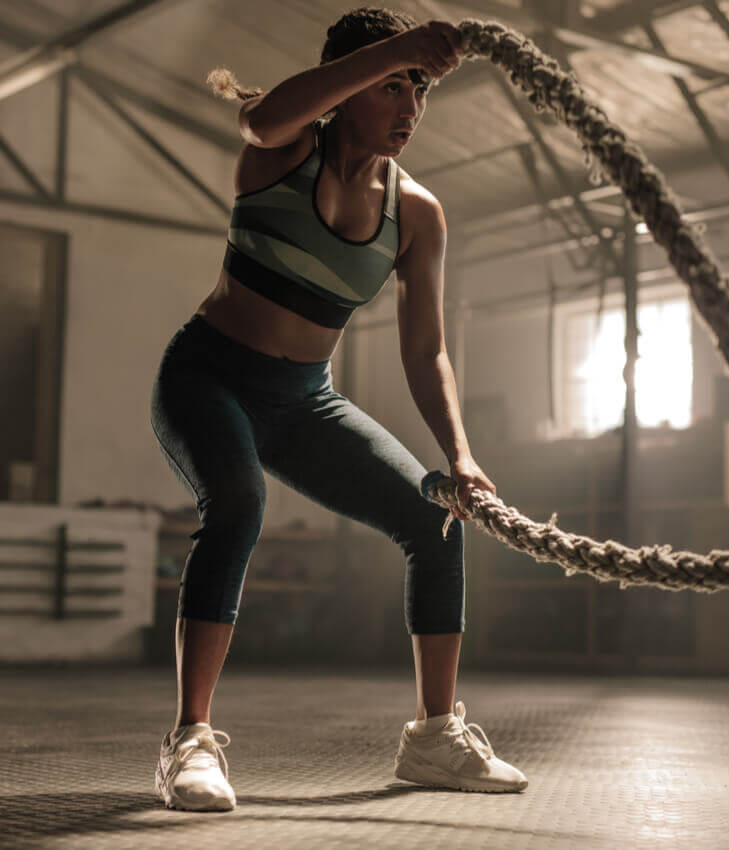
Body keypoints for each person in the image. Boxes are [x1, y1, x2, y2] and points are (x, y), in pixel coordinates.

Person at [149, 7, 528, 811]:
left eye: (419, 92)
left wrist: (459, 455)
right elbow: (261, 114)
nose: (409, 108)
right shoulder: (282, 153)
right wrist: (399, 47)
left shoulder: (417, 214)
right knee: (240, 504)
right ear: (349, 87)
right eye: (391, 87)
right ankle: (189, 743)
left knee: (435, 519)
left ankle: (433, 739)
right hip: (206, 377)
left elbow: (425, 350)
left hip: (302, 403)